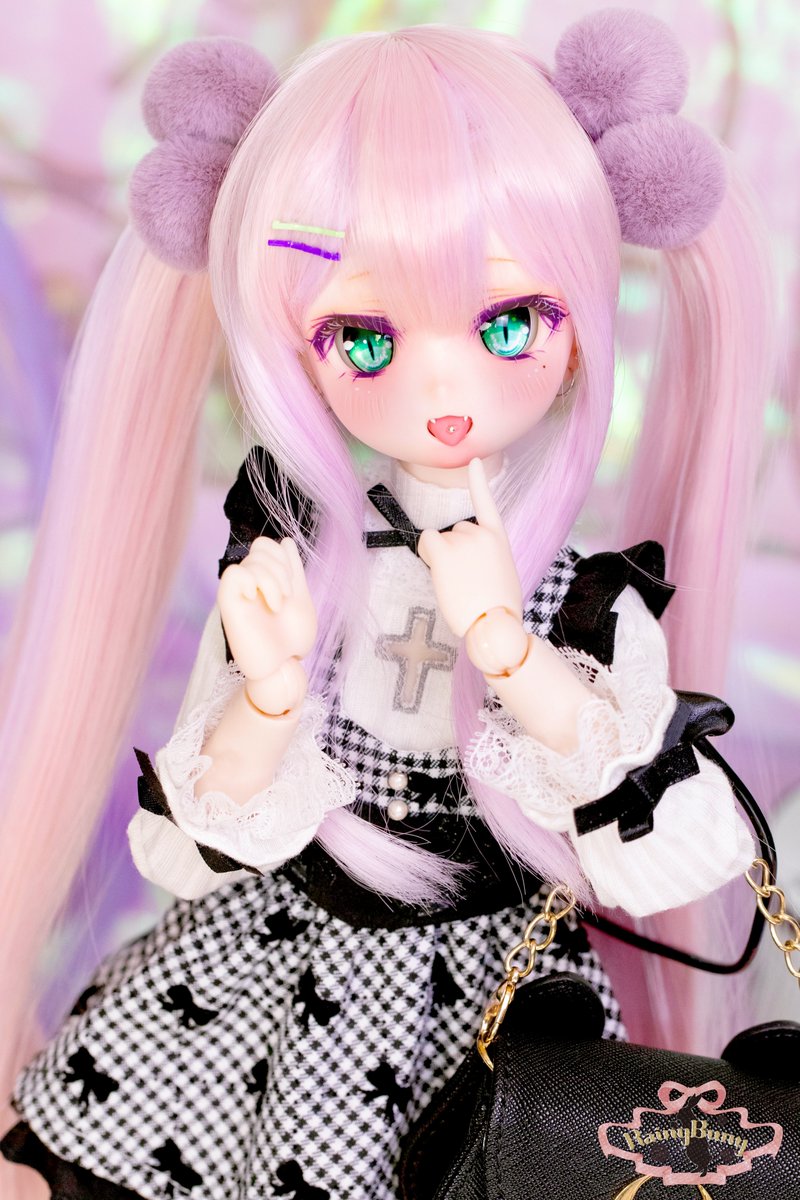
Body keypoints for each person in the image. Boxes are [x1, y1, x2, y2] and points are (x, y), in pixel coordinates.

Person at [0, 12, 773, 1200]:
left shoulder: (586, 602)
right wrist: (265, 700)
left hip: (497, 1012)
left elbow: (681, 852)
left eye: (507, 322)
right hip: (275, 989)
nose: (441, 384)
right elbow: (190, 852)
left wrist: (508, 650)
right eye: (362, 337)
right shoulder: (296, 571)